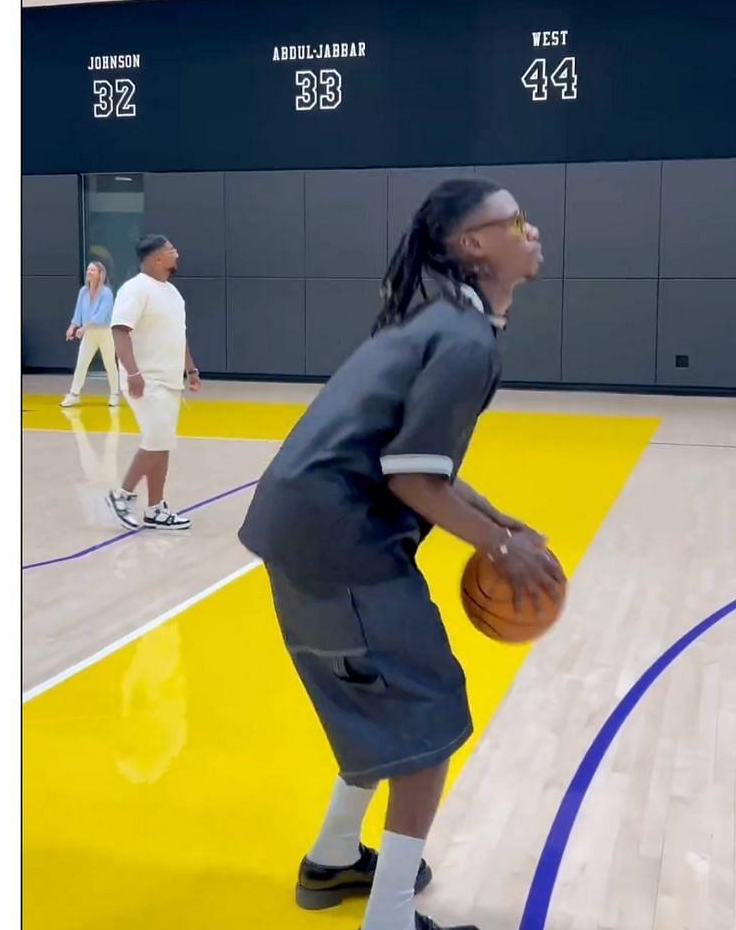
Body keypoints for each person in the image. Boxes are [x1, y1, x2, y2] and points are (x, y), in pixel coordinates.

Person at [237, 179, 563, 930]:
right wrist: (499, 550)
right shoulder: (464, 338)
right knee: (428, 718)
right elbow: (410, 476)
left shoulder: (443, 321)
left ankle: (332, 858)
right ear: (474, 246)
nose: (532, 228)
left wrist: (492, 517)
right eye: (514, 220)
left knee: (373, 704)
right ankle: (387, 918)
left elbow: (412, 455)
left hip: (308, 528)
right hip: (340, 539)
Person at [106, 234, 201, 531]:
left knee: (162, 444)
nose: (177, 254)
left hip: (170, 380)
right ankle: (121, 495)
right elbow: (120, 331)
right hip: (145, 380)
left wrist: (191, 369)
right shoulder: (135, 290)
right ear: (157, 258)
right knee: (156, 440)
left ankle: (156, 509)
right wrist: (132, 372)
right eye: (172, 251)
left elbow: (178, 335)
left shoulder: (172, 293)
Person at [61, 260, 120, 408]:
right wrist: (72, 327)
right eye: (88, 269)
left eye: (93, 270)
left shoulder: (107, 293)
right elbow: (78, 313)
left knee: (109, 364)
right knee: (81, 364)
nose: (89, 272)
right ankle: (74, 394)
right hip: (89, 334)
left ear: (100, 274)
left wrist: (83, 328)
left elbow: (101, 316)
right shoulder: (83, 291)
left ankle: (114, 394)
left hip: (104, 333)